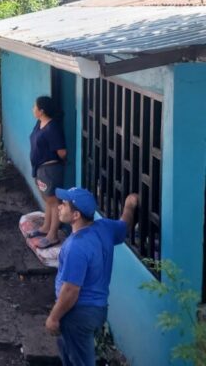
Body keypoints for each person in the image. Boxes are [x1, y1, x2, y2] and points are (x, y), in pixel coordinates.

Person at [46, 187, 139, 366]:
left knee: (80, 360)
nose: (58, 207)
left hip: (78, 313)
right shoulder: (104, 228)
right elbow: (124, 226)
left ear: (76, 215)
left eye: (64, 204)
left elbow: (71, 290)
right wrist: (129, 206)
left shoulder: (76, 247)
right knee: (69, 352)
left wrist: (54, 317)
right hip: (96, 309)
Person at [28, 96, 67, 249]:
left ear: (41, 111)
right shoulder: (40, 123)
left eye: (34, 106)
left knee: (54, 202)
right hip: (40, 168)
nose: (33, 109)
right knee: (48, 200)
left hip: (50, 169)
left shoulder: (53, 128)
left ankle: (53, 236)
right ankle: (45, 227)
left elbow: (62, 152)